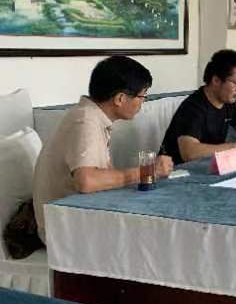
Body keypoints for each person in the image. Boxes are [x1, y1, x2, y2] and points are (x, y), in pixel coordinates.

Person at [33, 56, 173, 243]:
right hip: (64, 231)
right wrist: (147, 172)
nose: (143, 102)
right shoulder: (85, 121)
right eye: (142, 96)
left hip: (80, 217)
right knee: (158, 236)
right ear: (120, 98)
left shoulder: (91, 116)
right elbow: (87, 181)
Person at [160, 50, 236, 165]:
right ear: (216, 80)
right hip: (178, 170)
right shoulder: (193, 107)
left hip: (209, 166)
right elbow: (189, 153)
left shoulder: (230, 102)